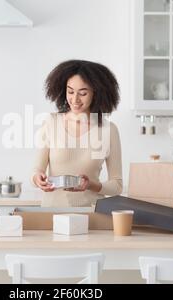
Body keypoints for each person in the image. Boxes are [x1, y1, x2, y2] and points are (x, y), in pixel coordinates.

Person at [32, 59, 123, 207]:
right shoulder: (51, 122)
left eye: (83, 93)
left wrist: (90, 185)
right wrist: (38, 178)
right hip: (51, 214)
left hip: (90, 215)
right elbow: (36, 170)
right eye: (70, 91)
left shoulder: (109, 130)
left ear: (96, 93)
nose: (75, 99)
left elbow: (117, 186)